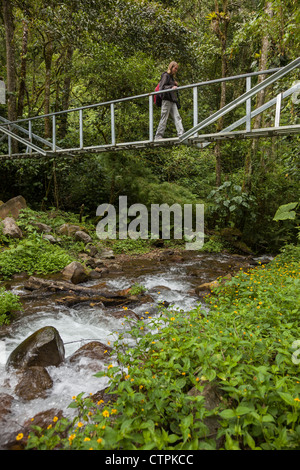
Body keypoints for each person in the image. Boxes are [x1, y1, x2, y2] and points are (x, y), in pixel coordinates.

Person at [154, 61, 184, 140]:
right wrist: (171, 87)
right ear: (171, 67)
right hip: (166, 100)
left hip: (172, 100)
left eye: (177, 69)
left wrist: (174, 85)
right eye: (175, 68)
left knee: (177, 117)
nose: (176, 70)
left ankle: (181, 134)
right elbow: (162, 88)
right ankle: (158, 136)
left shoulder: (171, 78)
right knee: (164, 117)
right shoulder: (165, 75)